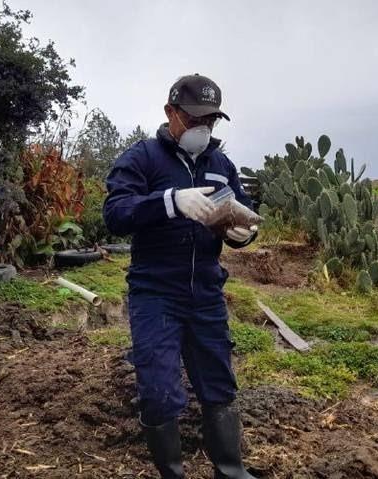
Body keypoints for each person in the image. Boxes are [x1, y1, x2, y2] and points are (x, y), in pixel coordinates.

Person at [104, 74, 258, 479]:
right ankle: (172, 473)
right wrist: (169, 201)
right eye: (194, 120)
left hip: (206, 290)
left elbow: (240, 206)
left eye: (211, 122)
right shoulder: (143, 158)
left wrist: (243, 233)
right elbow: (116, 214)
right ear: (171, 112)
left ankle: (230, 470)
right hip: (156, 293)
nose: (202, 131)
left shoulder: (220, 164)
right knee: (158, 389)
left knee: (218, 383)